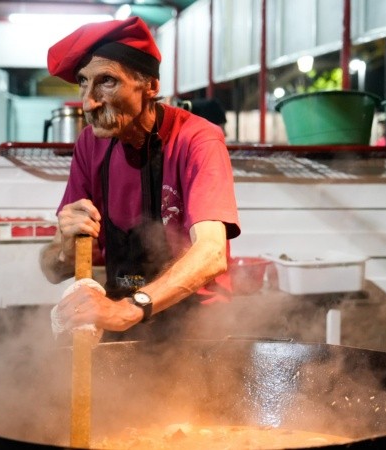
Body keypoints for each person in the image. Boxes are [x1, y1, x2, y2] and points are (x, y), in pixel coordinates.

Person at [39, 17, 241, 342]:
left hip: (198, 330)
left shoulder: (197, 138)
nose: (88, 102)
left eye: (106, 81)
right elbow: (52, 270)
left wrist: (131, 309)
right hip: (122, 319)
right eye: (82, 82)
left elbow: (213, 252)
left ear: (149, 86)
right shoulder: (90, 144)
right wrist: (65, 245)